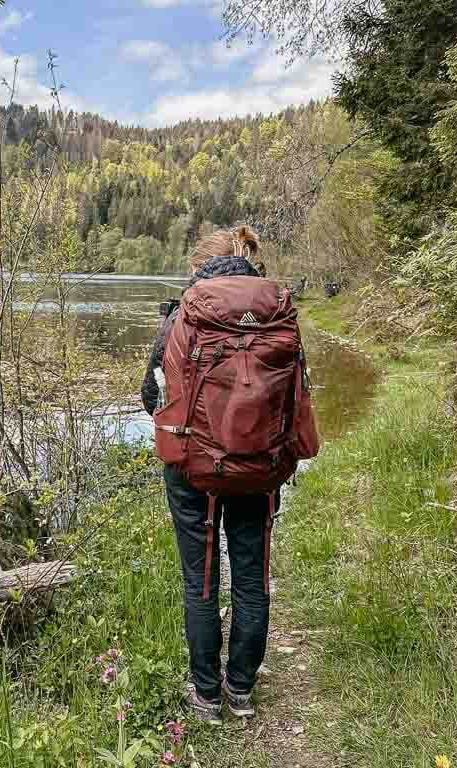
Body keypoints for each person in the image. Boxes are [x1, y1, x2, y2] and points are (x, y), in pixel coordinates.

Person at [141, 225, 277, 724]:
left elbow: (150, 396)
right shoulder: (276, 312)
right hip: (258, 465)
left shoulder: (185, 313)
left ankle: (205, 695)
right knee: (251, 575)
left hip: (192, 468)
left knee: (200, 581)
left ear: (200, 266)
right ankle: (240, 689)